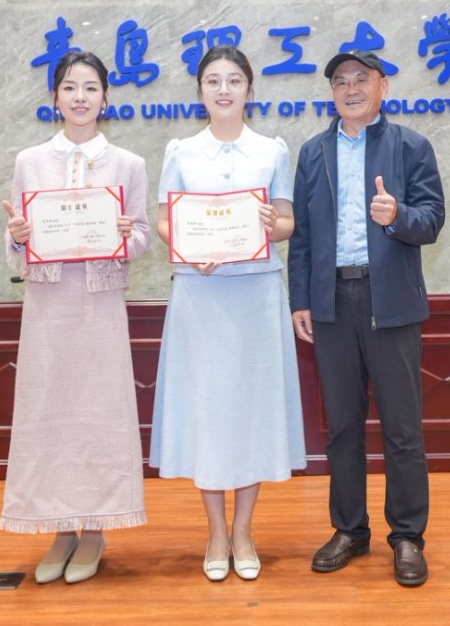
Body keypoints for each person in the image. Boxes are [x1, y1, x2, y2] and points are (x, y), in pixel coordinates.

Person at [287, 50, 445, 587]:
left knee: (402, 428)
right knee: (343, 427)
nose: (350, 88)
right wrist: (300, 300)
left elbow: (432, 219)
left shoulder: (411, 146)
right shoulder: (314, 152)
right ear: (331, 92)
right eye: (340, 81)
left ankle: (407, 536)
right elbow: (302, 237)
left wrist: (397, 216)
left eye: (361, 79)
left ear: (382, 86)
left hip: (391, 301)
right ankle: (350, 530)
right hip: (331, 301)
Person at [150, 45, 306, 582]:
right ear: (200, 91)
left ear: (249, 89)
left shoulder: (271, 150)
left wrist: (269, 224)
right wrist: (189, 248)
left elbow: (287, 222)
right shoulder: (181, 151)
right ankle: (216, 531)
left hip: (256, 295)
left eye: (234, 80)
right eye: (213, 80)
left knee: (250, 410)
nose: (224, 89)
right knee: (209, 411)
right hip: (201, 295)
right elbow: (165, 221)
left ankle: (243, 531)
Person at [0, 50, 152, 584]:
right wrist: (18, 236)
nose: (80, 97)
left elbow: (142, 237)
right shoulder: (30, 161)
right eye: (69, 87)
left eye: (90, 87)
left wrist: (125, 235)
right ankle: (60, 528)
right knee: (49, 412)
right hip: (48, 307)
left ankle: (95, 530)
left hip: (101, 305)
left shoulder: (128, 164)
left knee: (99, 413)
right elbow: (18, 238)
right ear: (54, 97)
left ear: (106, 98)